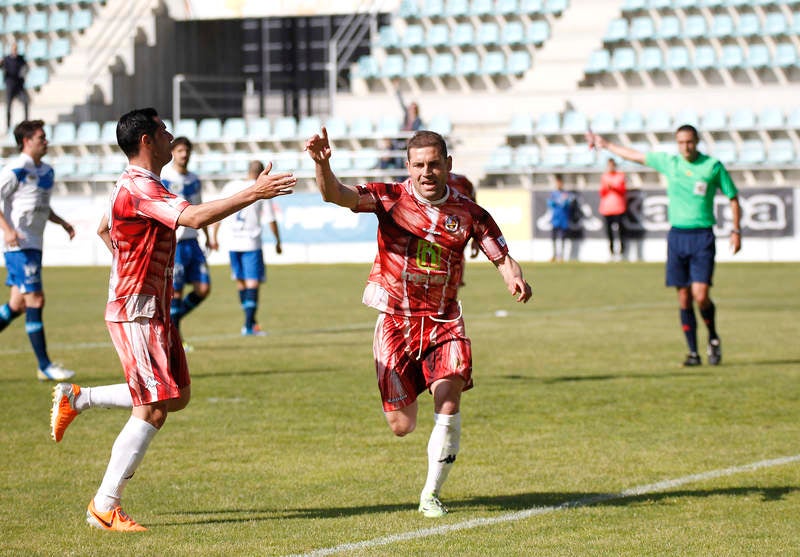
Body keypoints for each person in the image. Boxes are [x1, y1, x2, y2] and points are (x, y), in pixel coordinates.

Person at [48, 107, 296, 532]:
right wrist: (254, 192)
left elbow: (105, 229)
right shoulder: (141, 187)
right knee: (153, 409)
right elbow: (195, 218)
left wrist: (131, 259)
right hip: (136, 308)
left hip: (154, 306)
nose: (170, 136)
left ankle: (80, 398)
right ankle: (105, 506)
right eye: (163, 131)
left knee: (176, 396)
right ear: (147, 140)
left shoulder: (133, 184)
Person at [304, 127, 532, 518]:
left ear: (447, 165)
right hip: (396, 322)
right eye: (419, 165)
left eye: (434, 164)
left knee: (449, 397)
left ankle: (431, 494)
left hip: (445, 321)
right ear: (407, 166)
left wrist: (512, 275)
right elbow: (335, 195)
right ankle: (414, 425)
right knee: (402, 425)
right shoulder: (389, 198)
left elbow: (500, 253)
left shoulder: (470, 213)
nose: (427, 172)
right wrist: (322, 164)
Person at [587, 125, 741, 367]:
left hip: (702, 236)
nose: (685, 147)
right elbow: (635, 156)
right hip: (677, 236)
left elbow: (733, 197)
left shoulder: (712, 166)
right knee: (683, 297)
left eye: (689, 142)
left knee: (701, 296)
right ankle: (693, 352)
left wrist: (736, 230)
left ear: (697, 141)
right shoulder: (670, 163)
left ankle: (712, 337)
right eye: (681, 142)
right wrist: (605, 144)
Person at [0, 119, 75, 380]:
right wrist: (8, 230)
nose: (46, 141)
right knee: (36, 300)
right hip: (19, 246)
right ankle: (45, 366)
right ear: (26, 141)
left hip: (34, 245)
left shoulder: (48, 172)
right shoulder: (16, 169)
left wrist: (62, 222)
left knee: (17, 305)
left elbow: (41, 206)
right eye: (41, 137)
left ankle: (44, 365)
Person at [211, 160, 282, 336]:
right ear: (261, 173)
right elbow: (270, 219)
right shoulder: (262, 188)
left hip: (233, 242)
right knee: (252, 283)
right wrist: (278, 240)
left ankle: (250, 322)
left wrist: (214, 237)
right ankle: (249, 325)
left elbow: (219, 210)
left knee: (241, 283)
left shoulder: (231, 186)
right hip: (251, 242)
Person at [160, 137, 217, 346]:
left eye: (187, 151)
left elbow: (200, 208)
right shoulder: (165, 178)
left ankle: (172, 323)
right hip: (176, 243)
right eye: (180, 150)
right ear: (173, 152)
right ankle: (175, 339)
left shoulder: (194, 179)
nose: (184, 154)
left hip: (194, 242)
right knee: (175, 292)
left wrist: (208, 237)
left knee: (204, 288)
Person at [598, 158, 627, 261]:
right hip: (606, 208)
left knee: (621, 231)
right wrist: (607, 188)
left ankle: (622, 253)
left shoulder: (620, 176)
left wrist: (613, 187)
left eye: (612, 165)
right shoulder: (604, 176)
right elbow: (602, 192)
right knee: (609, 232)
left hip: (619, 208)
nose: (610, 167)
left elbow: (623, 190)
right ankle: (611, 253)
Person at [0, 43, 29, 130]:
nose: (15, 50)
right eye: (13, 49)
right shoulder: (7, 59)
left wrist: (22, 74)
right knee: (8, 106)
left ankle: (26, 124)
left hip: (19, 85)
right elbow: (1, 67)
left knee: (25, 102)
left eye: (16, 49)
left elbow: (25, 68)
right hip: (10, 85)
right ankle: (8, 126)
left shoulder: (21, 58)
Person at [547, 174, 572, 263]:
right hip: (555, 219)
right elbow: (550, 203)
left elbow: (568, 204)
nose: (559, 185)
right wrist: (556, 202)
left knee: (562, 238)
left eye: (560, 183)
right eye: (557, 183)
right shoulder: (553, 194)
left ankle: (561, 256)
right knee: (554, 238)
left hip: (563, 219)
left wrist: (564, 202)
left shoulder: (566, 194)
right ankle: (554, 255)